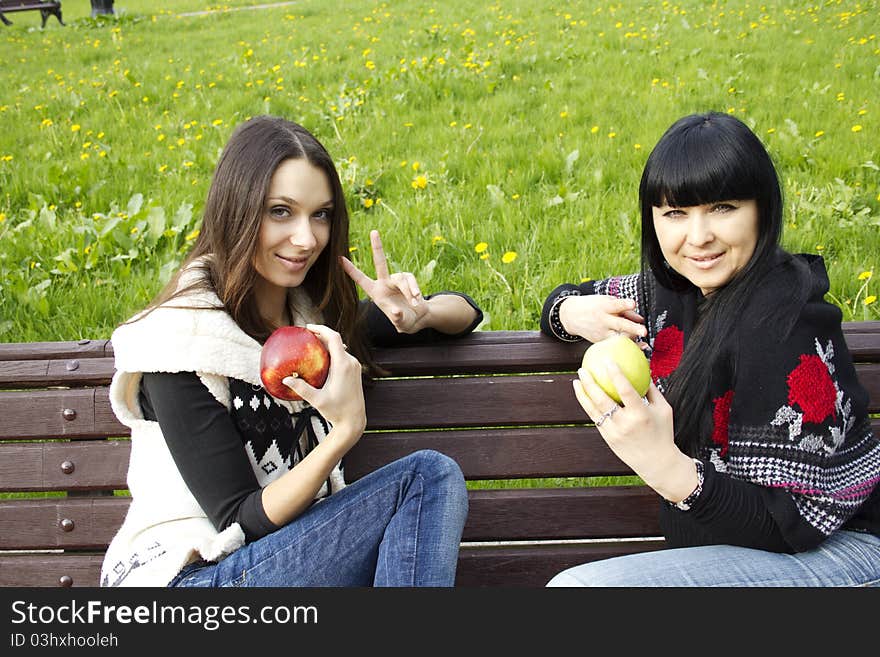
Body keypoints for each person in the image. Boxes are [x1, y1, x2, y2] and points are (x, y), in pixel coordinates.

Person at [100, 116, 482, 587]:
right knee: (426, 480)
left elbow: (466, 312)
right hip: (188, 577)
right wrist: (345, 431)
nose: (307, 239)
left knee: (429, 481)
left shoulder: (308, 329)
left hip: (276, 566)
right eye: (281, 211)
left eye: (320, 214)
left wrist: (420, 315)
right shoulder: (180, 341)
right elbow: (240, 521)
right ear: (236, 210)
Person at [541, 111, 880, 586]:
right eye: (675, 213)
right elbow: (562, 298)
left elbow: (790, 526)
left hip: (842, 555)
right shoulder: (673, 292)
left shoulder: (789, 324)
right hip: (740, 555)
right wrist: (571, 312)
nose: (698, 238)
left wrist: (663, 465)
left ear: (762, 208)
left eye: (722, 207)